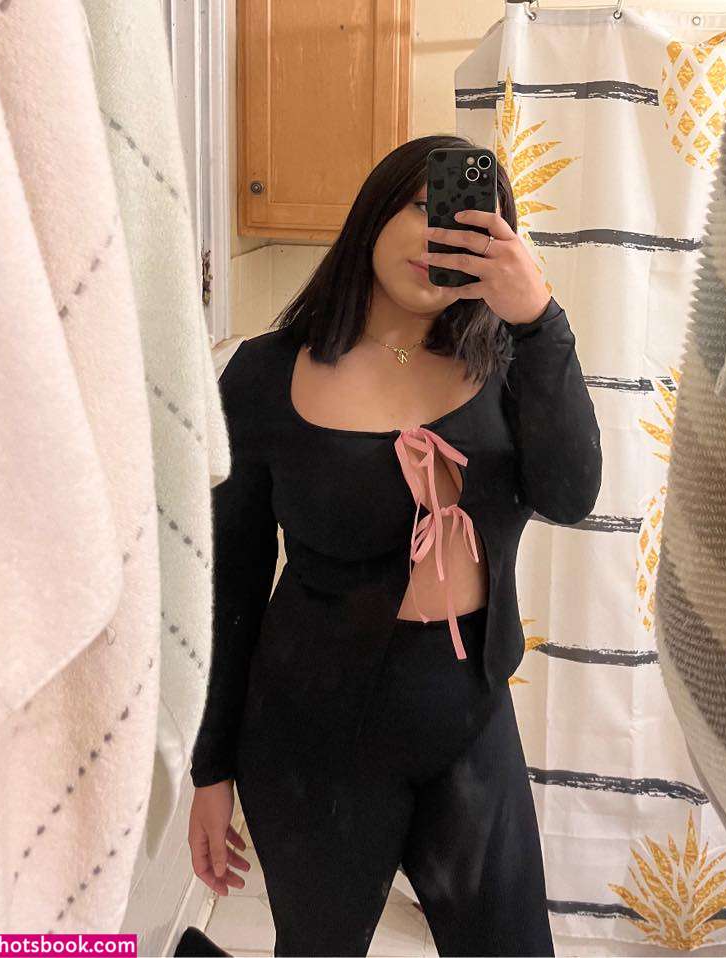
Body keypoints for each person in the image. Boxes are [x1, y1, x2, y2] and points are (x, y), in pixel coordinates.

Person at [187, 133, 602, 957]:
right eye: (421, 205)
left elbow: (571, 495)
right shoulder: (264, 375)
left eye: (468, 220)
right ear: (375, 210)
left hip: (468, 720)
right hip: (310, 734)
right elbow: (228, 588)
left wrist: (540, 320)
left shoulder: (509, 362)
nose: (440, 233)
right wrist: (210, 770)